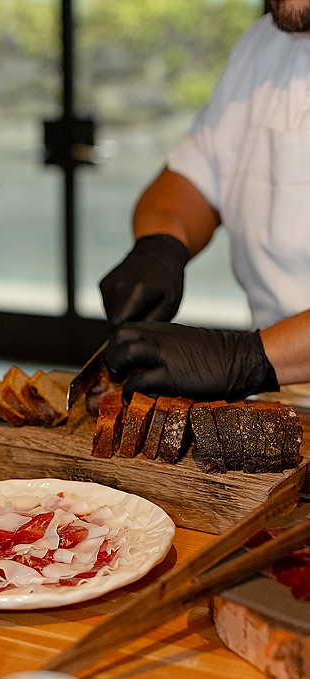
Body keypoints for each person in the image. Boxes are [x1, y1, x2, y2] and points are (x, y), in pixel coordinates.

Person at [100, 0, 310, 402]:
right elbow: (192, 178)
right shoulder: (261, 44)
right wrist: (160, 246)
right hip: (277, 402)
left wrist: (247, 358)